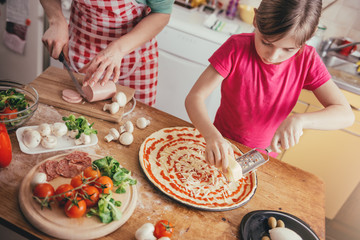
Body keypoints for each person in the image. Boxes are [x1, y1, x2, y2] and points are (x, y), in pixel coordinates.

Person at [185, 0, 355, 171]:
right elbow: (195, 98)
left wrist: (300, 120)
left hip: (263, 157)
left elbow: (346, 114)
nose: (273, 56)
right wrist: (211, 135)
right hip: (220, 147)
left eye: (288, 49)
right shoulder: (236, 47)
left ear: (308, 39)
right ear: (255, 19)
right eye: (266, 42)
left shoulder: (308, 60)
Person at [40, 0, 174, 106]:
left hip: (134, 57)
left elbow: (161, 13)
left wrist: (118, 49)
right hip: (81, 51)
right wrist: (56, 20)